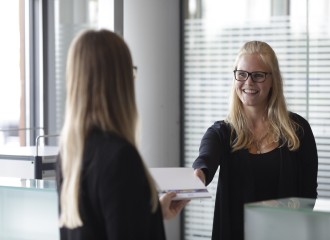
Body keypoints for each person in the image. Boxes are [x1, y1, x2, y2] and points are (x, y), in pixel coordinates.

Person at [56, 29, 188, 240]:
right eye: (131, 72)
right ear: (120, 82)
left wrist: (153, 213)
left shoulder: (70, 153)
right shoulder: (120, 158)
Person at [193, 40, 318, 240]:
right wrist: (197, 177)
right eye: (241, 74)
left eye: (258, 75)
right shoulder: (221, 133)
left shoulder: (299, 130)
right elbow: (205, 160)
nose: (248, 82)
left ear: (273, 79)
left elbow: (308, 197)